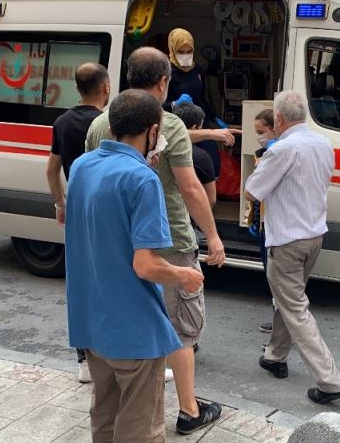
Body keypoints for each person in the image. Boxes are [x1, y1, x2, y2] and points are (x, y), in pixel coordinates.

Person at [86, 47, 224, 435]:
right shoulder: (168, 124)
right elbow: (190, 187)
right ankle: (189, 409)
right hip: (169, 241)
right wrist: (213, 235)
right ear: (164, 82)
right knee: (179, 328)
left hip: (118, 242)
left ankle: (128, 400)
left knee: (132, 317)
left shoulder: (100, 124)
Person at [66, 89, 202, 442]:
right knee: (140, 429)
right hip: (134, 329)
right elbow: (145, 265)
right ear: (153, 132)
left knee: (105, 417)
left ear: (113, 126)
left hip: (92, 323)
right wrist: (182, 274)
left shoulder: (82, 166)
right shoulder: (143, 179)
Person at [245, 91, 340, 405]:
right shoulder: (323, 143)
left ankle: (330, 381)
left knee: (294, 307)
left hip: (287, 239)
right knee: (289, 300)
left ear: (278, 118)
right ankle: (275, 355)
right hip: (314, 235)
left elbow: (252, 192)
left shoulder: (282, 149)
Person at [45, 62, 109, 384]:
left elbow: (51, 170)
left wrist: (60, 204)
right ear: (106, 88)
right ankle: (111, 353)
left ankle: (83, 360)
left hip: (77, 210)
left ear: (77, 88)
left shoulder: (62, 122)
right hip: (105, 213)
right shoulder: (106, 124)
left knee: (80, 283)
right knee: (109, 281)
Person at [164, 28, 240, 178]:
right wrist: (173, 104)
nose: (185, 56)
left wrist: (214, 118)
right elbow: (157, 105)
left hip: (200, 124)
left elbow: (202, 100)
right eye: (181, 52)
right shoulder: (166, 72)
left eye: (189, 51)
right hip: (177, 127)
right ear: (172, 50)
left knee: (212, 162)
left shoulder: (198, 70)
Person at [250, 109, 277, 335]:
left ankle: (283, 326)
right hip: (264, 224)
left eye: (261, 131)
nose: (259, 136)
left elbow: (252, 191)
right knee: (272, 276)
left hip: (274, 226)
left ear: (274, 129)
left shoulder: (276, 156)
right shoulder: (263, 154)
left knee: (278, 279)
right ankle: (280, 320)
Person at [172, 102, 216, 208]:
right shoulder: (201, 156)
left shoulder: (159, 148)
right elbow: (211, 200)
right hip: (188, 213)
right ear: (195, 128)